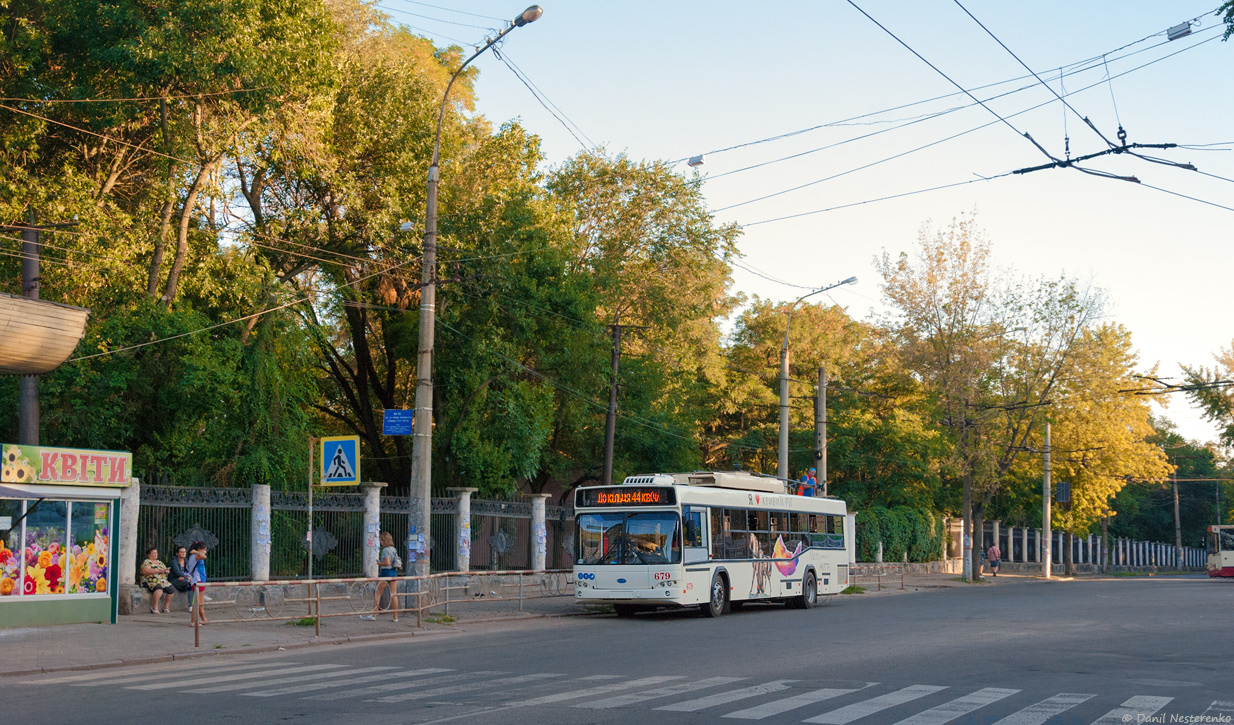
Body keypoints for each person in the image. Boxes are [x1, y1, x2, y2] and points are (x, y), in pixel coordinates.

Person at [362, 532, 399, 622]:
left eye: (381, 540)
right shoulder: (393, 549)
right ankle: (395, 617)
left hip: (386, 572)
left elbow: (387, 563)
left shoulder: (386, 550)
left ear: (384, 540)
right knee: (394, 594)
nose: (380, 542)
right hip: (394, 572)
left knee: (378, 593)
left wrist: (379, 563)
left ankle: (373, 614)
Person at [139, 547, 175, 614]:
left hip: (161, 580)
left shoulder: (160, 562)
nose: (155, 554)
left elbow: (165, 569)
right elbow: (145, 571)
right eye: (153, 553)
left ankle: (166, 606)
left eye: (156, 553)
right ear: (149, 555)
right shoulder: (146, 562)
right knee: (159, 588)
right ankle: (155, 606)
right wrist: (158, 571)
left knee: (171, 589)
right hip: (150, 580)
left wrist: (166, 571)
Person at [186, 542, 210, 624]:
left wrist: (196, 551)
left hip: (201, 580)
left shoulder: (196, 555)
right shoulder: (195, 556)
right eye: (204, 550)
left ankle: (203, 619)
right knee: (197, 603)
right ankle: (194, 621)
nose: (205, 552)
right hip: (197, 580)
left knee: (200, 602)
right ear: (199, 549)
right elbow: (204, 556)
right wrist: (196, 552)